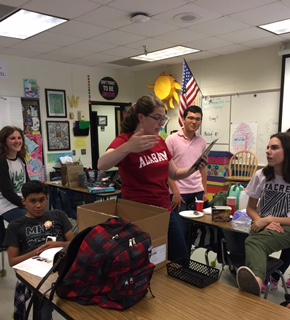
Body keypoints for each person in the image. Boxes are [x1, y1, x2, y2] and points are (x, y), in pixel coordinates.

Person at [97, 94, 207, 261]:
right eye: (157, 118)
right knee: (145, 260)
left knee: (180, 257)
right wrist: (128, 147)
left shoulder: (159, 141)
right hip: (138, 212)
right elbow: (102, 164)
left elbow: (175, 173)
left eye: (163, 118)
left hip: (163, 209)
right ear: (141, 117)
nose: (161, 124)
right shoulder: (125, 140)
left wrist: (194, 168)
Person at [4, 180, 75, 320]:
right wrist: (36, 252)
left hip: (60, 265)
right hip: (36, 271)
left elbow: (73, 243)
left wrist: (57, 245)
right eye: (33, 201)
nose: (38, 205)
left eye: (42, 200)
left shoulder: (58, 215)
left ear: (47, 199)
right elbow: (12, 261)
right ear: (24, 202)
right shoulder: (15, 226)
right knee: (43, 301)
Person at [236, 132, 290, 296]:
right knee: (250, 241)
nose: (268, 151)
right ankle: (256, 281)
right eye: (267, 147)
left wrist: (269, 219)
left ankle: (257, 282)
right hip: (263, 223)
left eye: (274, 148)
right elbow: (251, 207)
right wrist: (261, 220)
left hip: (286, 226)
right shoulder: (261, 175)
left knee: (255, 242)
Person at [165, 105, 208, 248]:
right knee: (180, 234)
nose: (194, 122)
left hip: (197, 193)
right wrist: (175, 193)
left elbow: (202, 169)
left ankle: (188, 265)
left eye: (198, 119)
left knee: (194, 233)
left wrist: (205, 191)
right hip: (179, 195)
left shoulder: (202, 141)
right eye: (190, 118)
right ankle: (180, 266)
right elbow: (167, 170)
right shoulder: (171, 140)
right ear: (183, 119)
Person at [0, 126, 30, 245]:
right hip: (6, 204)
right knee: (29, 222)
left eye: (19, 138)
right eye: (12, 138)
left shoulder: (20, 159)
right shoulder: (2, 161)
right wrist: (25, 203)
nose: (17, 141)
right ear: (4, 141)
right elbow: (7, 192)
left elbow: (27, 182)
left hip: (21, 201)